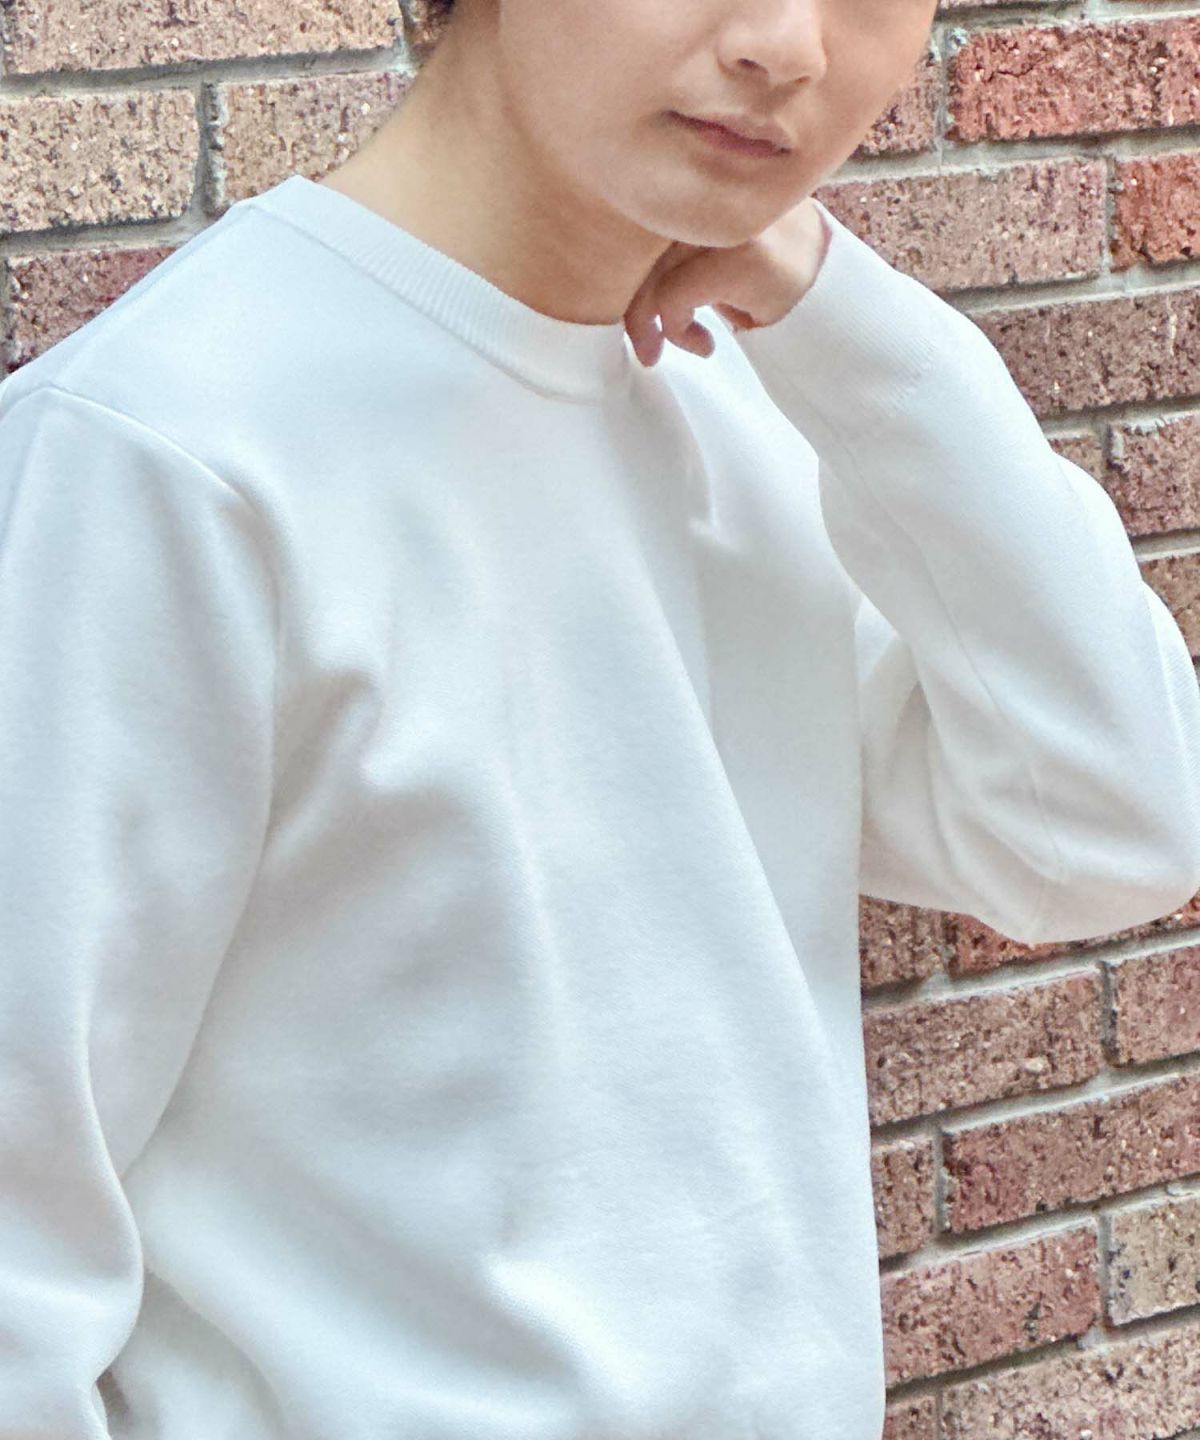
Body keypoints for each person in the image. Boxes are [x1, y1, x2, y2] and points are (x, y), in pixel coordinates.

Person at [2, 0, 1199, 1435]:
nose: (789, 45)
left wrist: (843, 316)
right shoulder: (162, 453)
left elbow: (1111, 828)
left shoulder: (754, 397)